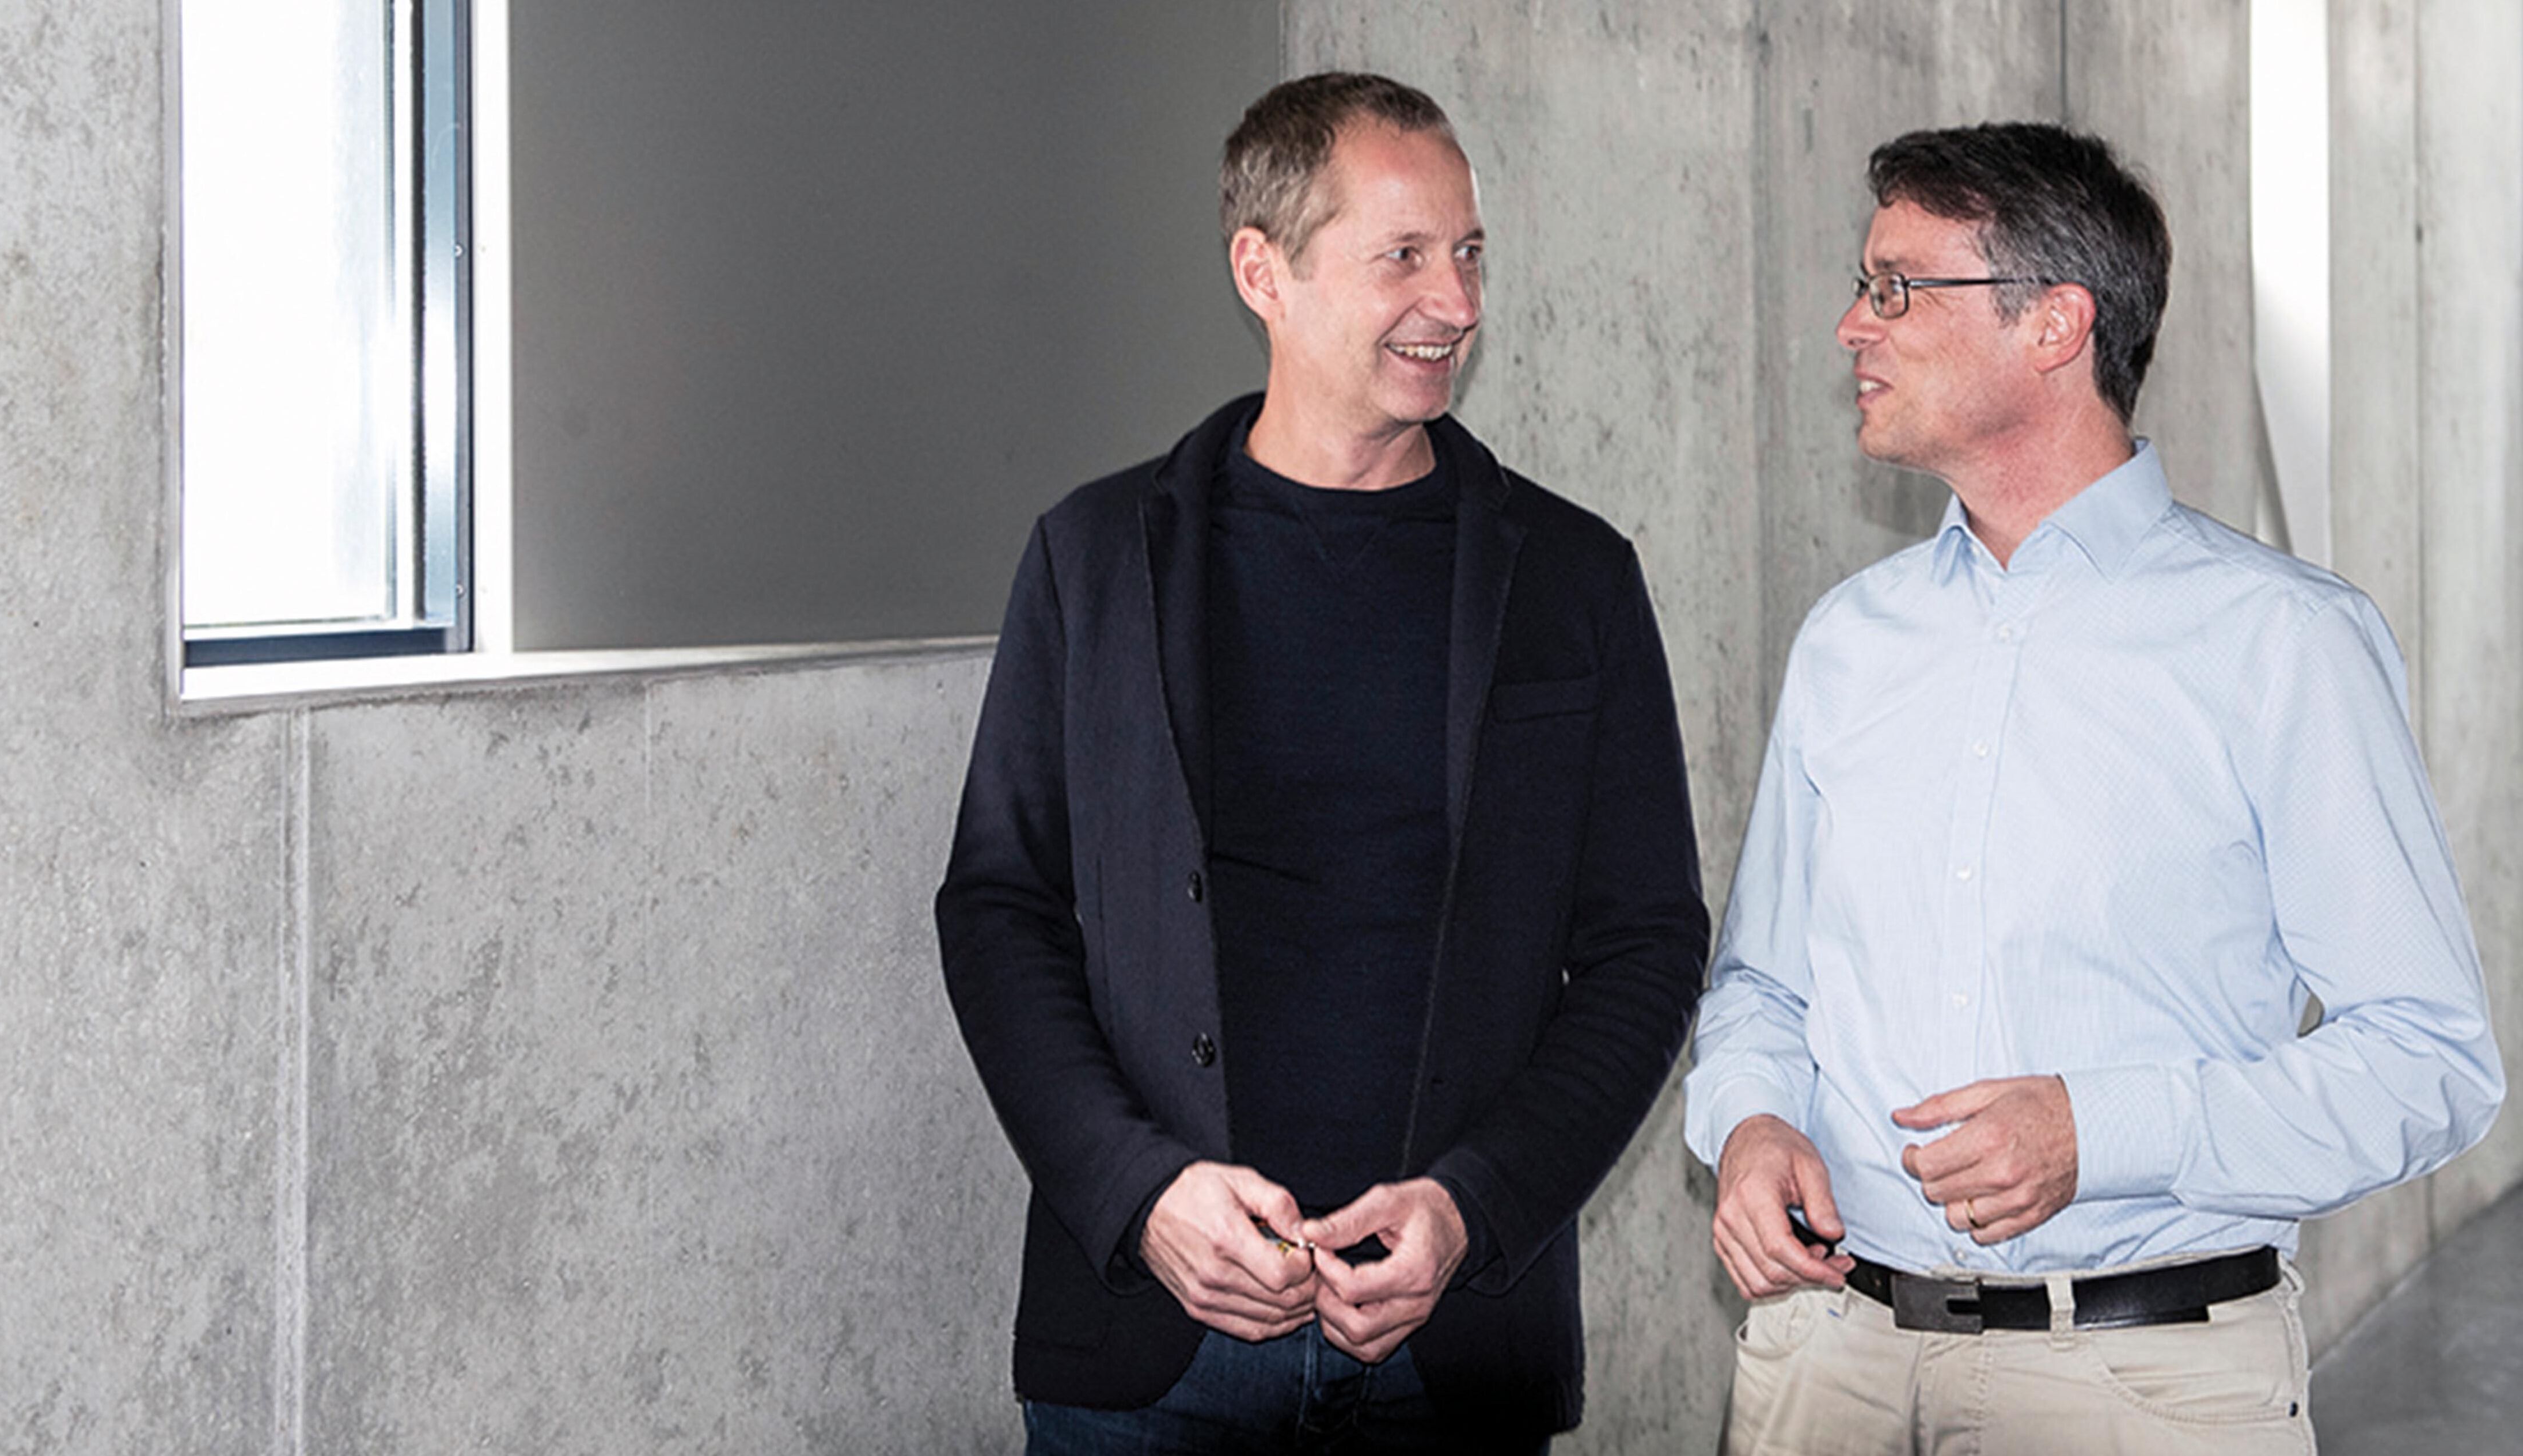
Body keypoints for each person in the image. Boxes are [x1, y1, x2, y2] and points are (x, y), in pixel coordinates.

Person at [1683, 120, 2504, 1454]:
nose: (1850, 325)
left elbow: (2428, 1061)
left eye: (1897, 286)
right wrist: (1752, 1118)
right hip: (1821, 1366)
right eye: (1860, 282)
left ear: (2055, 324)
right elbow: (1763, 987)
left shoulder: (2281, 642)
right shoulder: (1846, 640)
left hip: (2139, 1388)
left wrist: (2103, 1126)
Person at [936, 71, 1710, 1452]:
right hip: (1146, 1352)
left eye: (1468, 252)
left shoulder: (1575, 579)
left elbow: (1647, 943)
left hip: (1453, 1347)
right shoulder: (1095, 556)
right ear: (1263, 271)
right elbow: (999, 907)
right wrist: (1139, 1191)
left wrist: (1475, 1206)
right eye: (1403, 255)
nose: (1457, 302)